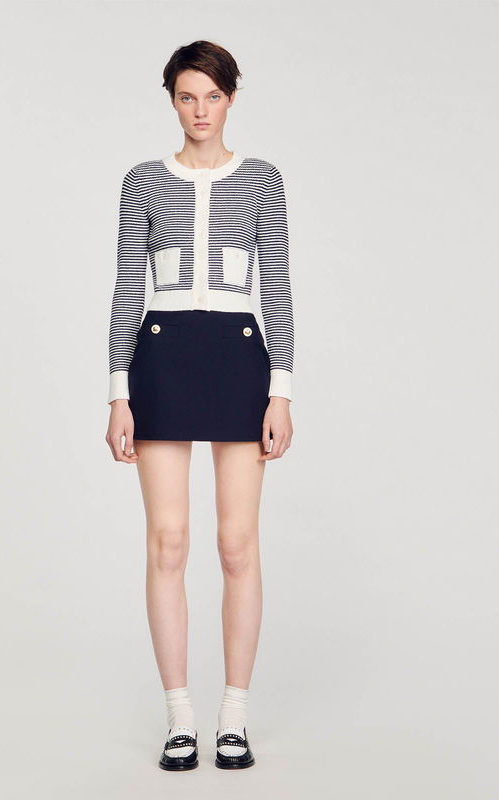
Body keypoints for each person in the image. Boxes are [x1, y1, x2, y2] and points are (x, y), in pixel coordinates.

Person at [104, 39, 295, 771]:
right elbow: (128, 287)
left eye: (212, 97)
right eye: (187, 97)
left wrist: (282, 390)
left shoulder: (264, 181)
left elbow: (277, 286)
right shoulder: (143, 182)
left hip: (240, 361)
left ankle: (234, 716)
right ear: (172, 101)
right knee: (169, 541)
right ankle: (180, 716)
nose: (200, 111)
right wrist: (118, 393)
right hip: (161, 359)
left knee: (237, 543)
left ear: (231, 99)